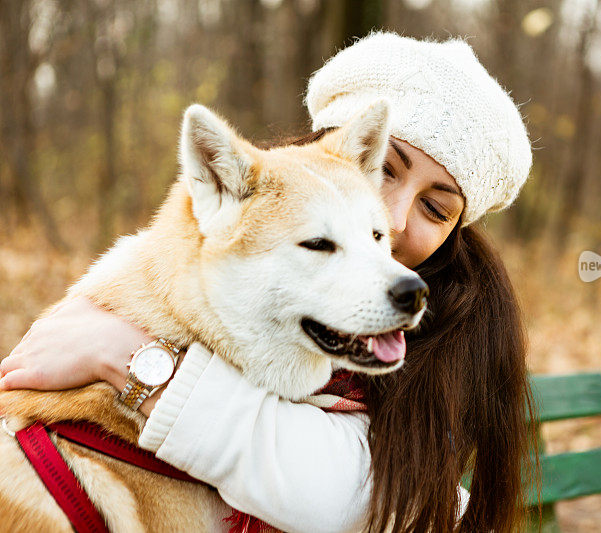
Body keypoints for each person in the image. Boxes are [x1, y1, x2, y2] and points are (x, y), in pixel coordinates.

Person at [1, 31, 536, 532]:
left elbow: (385, 499)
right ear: (331, 141)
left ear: (456, 229)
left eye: (435, 207)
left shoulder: (463, 327)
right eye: (386, 170)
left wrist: (132, 359)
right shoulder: (232, 223)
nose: (392, 219)